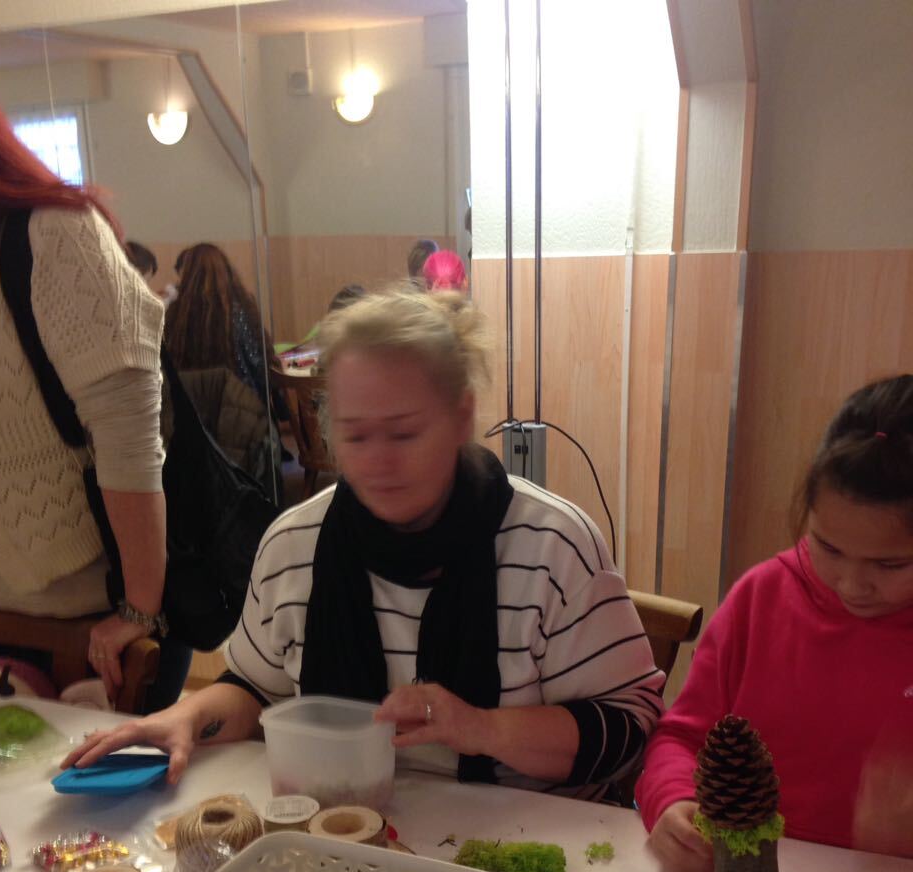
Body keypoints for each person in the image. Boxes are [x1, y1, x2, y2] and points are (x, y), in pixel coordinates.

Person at [65, 285, 664, 789]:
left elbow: (632, 726)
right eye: (355, 436)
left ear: (461, 418)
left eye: (403, 434)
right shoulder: (293, 546)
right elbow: (253, 688)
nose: (378, 462)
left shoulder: (552, 546)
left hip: (518, 852)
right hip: (343, 825)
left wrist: (480, 728)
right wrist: (189, 716)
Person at [0, 46, 177, 709]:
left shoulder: (54, 233)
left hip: (100, 622)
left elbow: (128, 433)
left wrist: (140, 609)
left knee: (106, 780)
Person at [636, 376, 913, 872]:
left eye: (890, 565)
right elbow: (681, 738)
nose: (852, 584)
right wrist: (672, 800)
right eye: (828, 548)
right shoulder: (760, 598)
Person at [167, 243, 275, 406]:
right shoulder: (240, 311)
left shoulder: (176, 315)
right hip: (243, 409)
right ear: (226, 271)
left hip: (192, 411)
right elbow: (259, 365)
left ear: (187, 274)